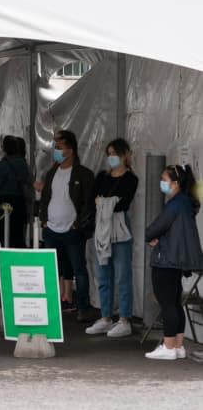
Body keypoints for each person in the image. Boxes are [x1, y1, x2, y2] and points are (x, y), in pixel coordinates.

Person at [144, 164, 203, 360]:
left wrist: (151, 236)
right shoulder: (186, 203)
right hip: (176, 260)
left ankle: (168, 346)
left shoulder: (174, 205)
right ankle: (178, 345)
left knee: (167, 303)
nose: (162, 183)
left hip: (166, 260)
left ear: (176, 183)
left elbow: (155, 228)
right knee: (175, 303)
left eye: (164, 179)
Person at [39, 130, 95, 322]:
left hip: (72, 231)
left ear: (70, 150)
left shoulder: (84, 174)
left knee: (79, 268)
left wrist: (78, 225)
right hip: (51, 230)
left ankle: (83, 306)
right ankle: (53, 305)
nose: (56, 150)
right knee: (54, 269)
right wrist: (44, 220)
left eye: (59, 147)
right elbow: (46, 197)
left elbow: (88, 204)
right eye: (55, 147)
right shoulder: (52, 172)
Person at [86, 138, 139, 338]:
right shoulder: (102, 176)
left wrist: (103, 202)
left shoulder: (131, 178)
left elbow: (123, 204)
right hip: (101, 229)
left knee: (122, 276)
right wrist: (105, 203)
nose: (111, 158)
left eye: (115, 154)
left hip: (120, 229)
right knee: (103, 275)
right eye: (108, 154)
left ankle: (124, 319)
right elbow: (93, 200)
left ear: (125, 155)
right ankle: (106, 317)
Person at [0, 135, 30, 248]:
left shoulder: (2, 165)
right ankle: (19, 261)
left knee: (4, 234)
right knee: (17, 234)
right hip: (19, 201)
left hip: (2, 201)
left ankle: (7, 259)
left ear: (4, 148)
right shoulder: (23, 164)